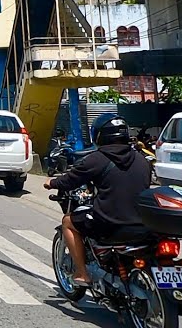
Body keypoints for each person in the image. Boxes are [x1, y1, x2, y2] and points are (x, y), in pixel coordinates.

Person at [43, 114, 152, 287]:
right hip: (143, 224)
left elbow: (70, 180)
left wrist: (52, 182)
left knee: (68, 221)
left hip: (110, 224)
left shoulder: (96, 159)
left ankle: (82, 273)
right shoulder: (142, 159)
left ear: (99, 135)